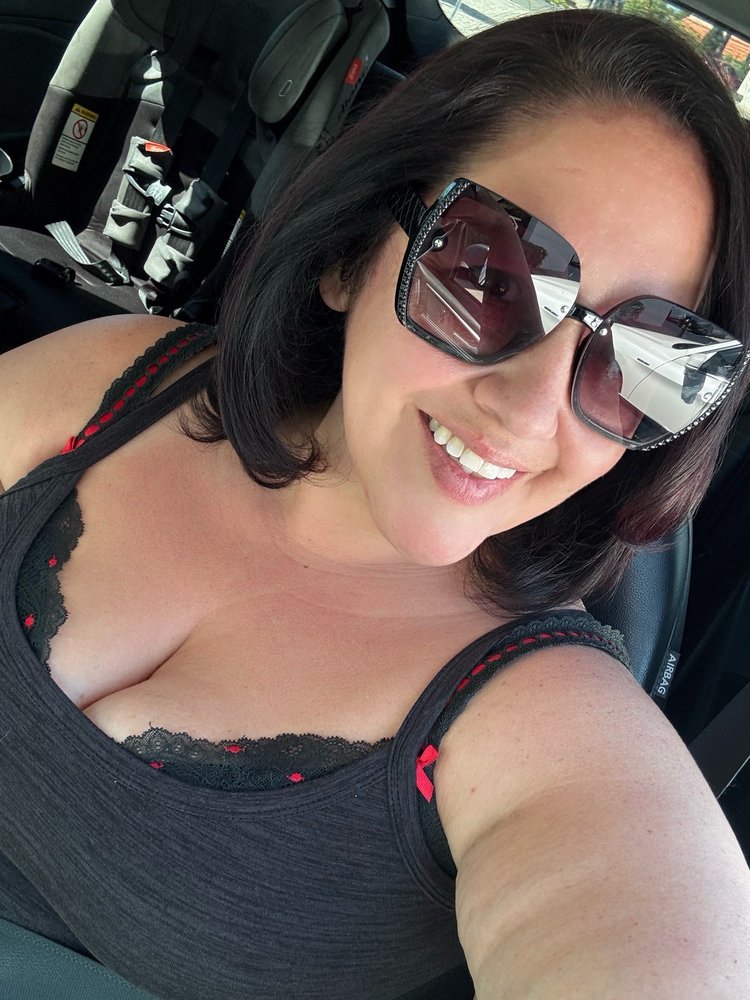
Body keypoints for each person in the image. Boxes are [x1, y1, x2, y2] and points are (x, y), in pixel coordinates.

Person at [0, 9, 749, 999]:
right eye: (488, 276)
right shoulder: (110, 383)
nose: (530, 411)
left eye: (647, 362)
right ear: (352, 251)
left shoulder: (561, 738)